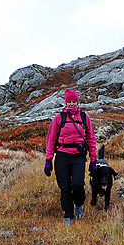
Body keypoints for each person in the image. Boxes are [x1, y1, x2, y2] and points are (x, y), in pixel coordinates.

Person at [44, 89, 98, 224]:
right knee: (65, 187)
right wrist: (48, 160)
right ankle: (68, 215)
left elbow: (91, 139)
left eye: (74, 101)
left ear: (77, 102)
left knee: (78, 184)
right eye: (69, 102)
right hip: (62, 156)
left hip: (79, 156)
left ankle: (78, 204)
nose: (72, 104)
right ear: (66, 103)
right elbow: (51, 139)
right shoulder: (59, 118)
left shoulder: (85, 117)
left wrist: (93, 160)